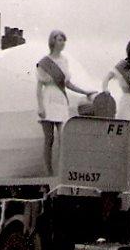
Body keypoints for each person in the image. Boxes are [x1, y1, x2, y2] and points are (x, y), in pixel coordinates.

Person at [36, 30, 97, 175]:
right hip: (48, 99)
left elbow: (68, 84)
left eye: (63, 40)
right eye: (59, 39)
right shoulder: (44, 62)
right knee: (49, 139)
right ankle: (49, 172)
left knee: (63, 138)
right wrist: (40, 106)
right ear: (53, 41)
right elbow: (39, 87)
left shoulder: (65, 61)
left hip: (61, 100)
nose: (62, 42)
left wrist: (85, 92)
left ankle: (62, 170)